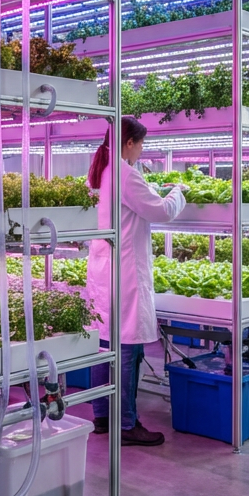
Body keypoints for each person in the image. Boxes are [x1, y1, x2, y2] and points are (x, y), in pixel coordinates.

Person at [84, 116, 185, 446]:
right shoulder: (125, 174)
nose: (142, 150)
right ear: (130, 143)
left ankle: (102, 415)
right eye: (141, 144)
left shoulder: (102, 170)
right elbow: (161, 211)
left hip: (105, 268)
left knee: (104, 344)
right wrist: (177, 192)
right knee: (127, 347)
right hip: (124, 270)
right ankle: (126, 425)